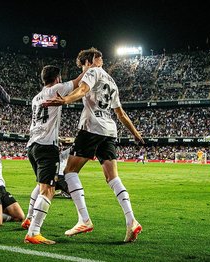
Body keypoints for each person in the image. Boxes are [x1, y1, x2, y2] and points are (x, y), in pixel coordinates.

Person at [44, 47, 144, 243]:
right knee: (112, 177)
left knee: (69, 171)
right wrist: (136, 134)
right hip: (109, 131)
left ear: (88, 62)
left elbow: (82, 90)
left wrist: (65, 100)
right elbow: (121, 114)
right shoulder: (112, 82)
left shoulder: (93, 71)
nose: (83, 70)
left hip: (91, 128)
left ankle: (84, 219)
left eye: (83, 65)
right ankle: (131, 220)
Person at [23, 65, 88, 244]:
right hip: (46, 147)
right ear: (57, 78)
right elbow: (77, 82)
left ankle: (29, 219)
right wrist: (89, 68)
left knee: (42, 186)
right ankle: (33, 232)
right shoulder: (57, 89)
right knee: (48, 189)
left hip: (33, 146)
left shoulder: (36, 98)